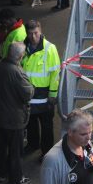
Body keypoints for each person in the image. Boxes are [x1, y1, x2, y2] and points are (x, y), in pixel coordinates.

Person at [0, 41, 33, 184]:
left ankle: (1, 174)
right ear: (20, 56)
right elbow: (28, 94)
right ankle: (16, 179)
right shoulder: (17, 72)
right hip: (14, 120)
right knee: (15, 151)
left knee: (0, 148)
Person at [23, 20, 61, 157]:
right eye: (30, 33)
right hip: (28, 94)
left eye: (36, 33)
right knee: (30, 123)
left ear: (40, 31)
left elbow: (55, 73)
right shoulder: (23, 47)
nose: (33, 37)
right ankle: (33, 145)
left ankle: (47, 152)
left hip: (45, 95)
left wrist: (53, 94)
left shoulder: (50, 48)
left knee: (46, 126)